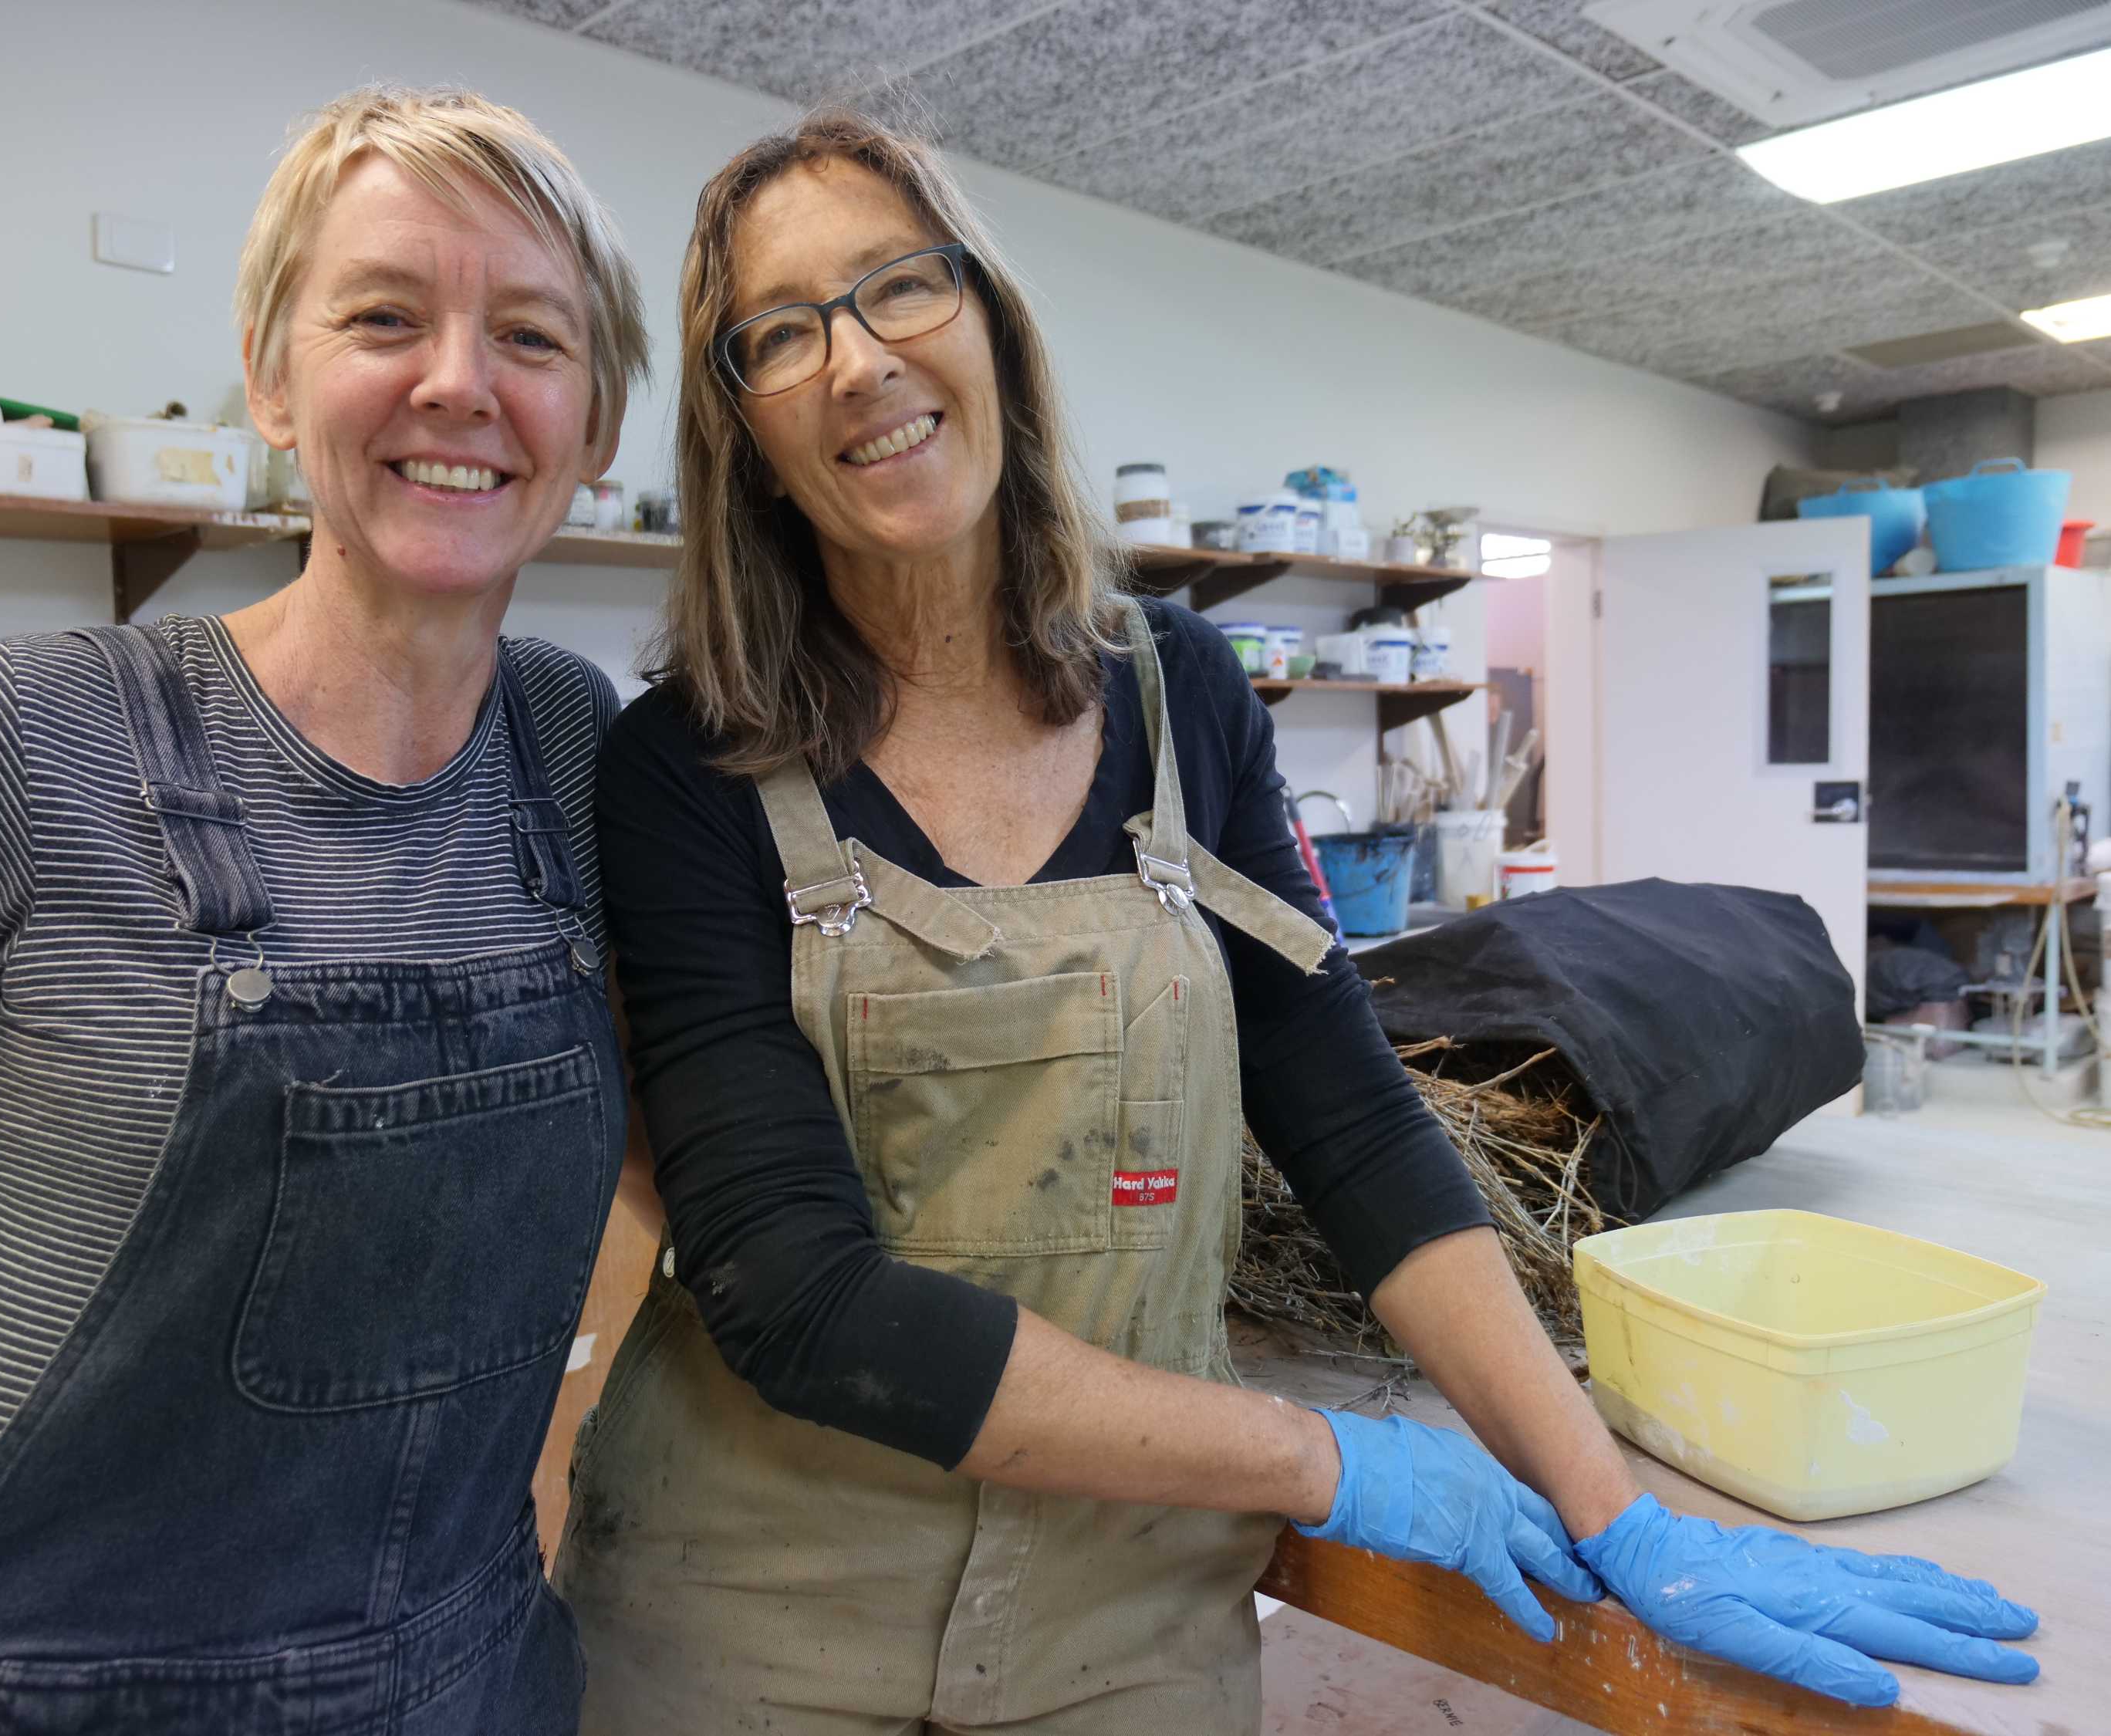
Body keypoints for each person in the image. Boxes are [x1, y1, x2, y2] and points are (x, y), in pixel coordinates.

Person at [553, 106, 2040, 1731]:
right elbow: (797, 1296)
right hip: (753, 1605)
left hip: (1128, 1601)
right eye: (781, 333)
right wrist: (1335, 1462)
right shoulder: (684, 767)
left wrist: (1614, 1507)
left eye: (900, 287)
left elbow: (1348, 1119)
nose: (856, 360)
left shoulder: (1184, 696)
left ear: (986, 313)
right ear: (741, 425)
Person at [0, 85, 647, 1733]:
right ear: (272, 376)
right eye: (385, 315)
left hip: (462, 1686)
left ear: (598, 421)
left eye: (532, 336)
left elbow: (626, 1167)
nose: (459, 383)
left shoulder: (573, 746)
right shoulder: (16, 743)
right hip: (16, 1697)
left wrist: (549, 1457)